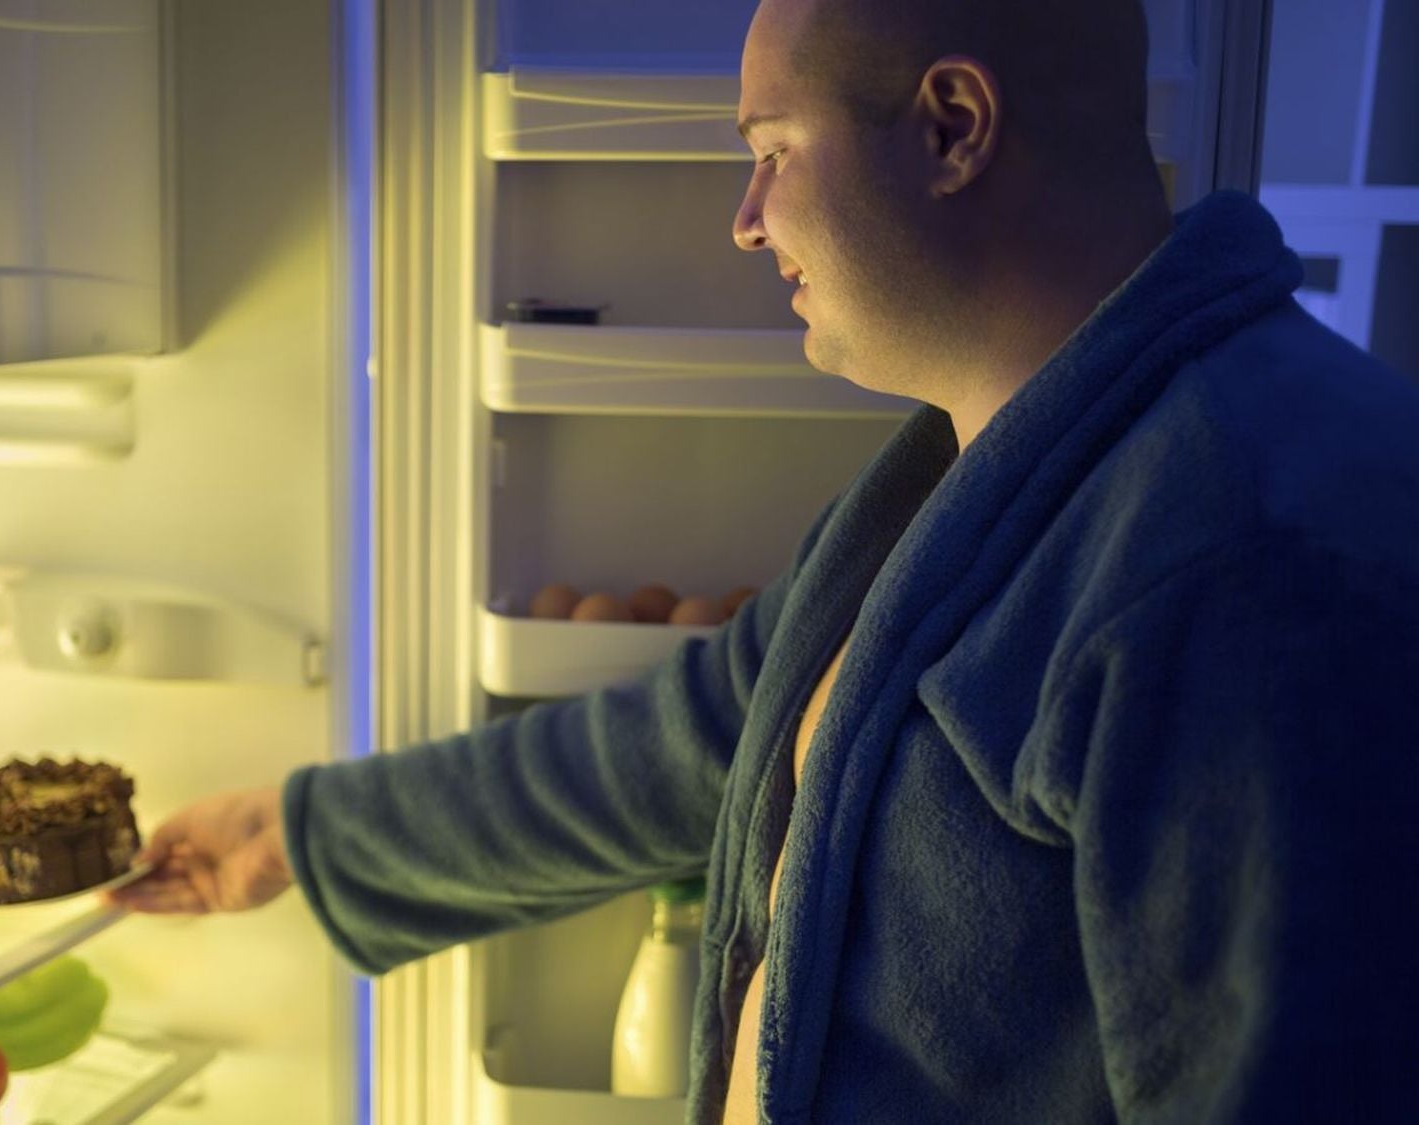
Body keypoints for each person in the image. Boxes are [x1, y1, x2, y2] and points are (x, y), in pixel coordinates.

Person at [111, 0, 1419, 1120]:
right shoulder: (967, 473)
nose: (744, 222)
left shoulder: (1251, 557)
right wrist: (292, 834)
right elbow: (699, 738)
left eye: (772, 151)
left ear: (953, 127)